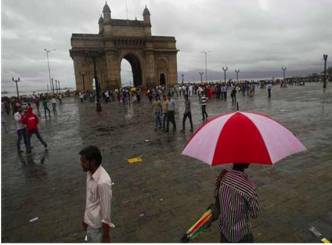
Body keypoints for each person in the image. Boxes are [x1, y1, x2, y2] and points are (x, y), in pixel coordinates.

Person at [217, 163, 259, 242]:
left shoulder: (223, 177)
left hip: (225, 231)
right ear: (245, 163)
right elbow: (254, 213)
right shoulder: (248, 186)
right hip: (241, 235)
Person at [79, 146, 112, 243]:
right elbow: (90, 200)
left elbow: (106, 213)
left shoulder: (103, 182)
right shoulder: (89, 173)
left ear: (92, 162)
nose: (81, 164)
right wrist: (86, 219)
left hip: (97, 229)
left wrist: (106, 236)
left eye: (84, 162)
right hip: (90, 224)